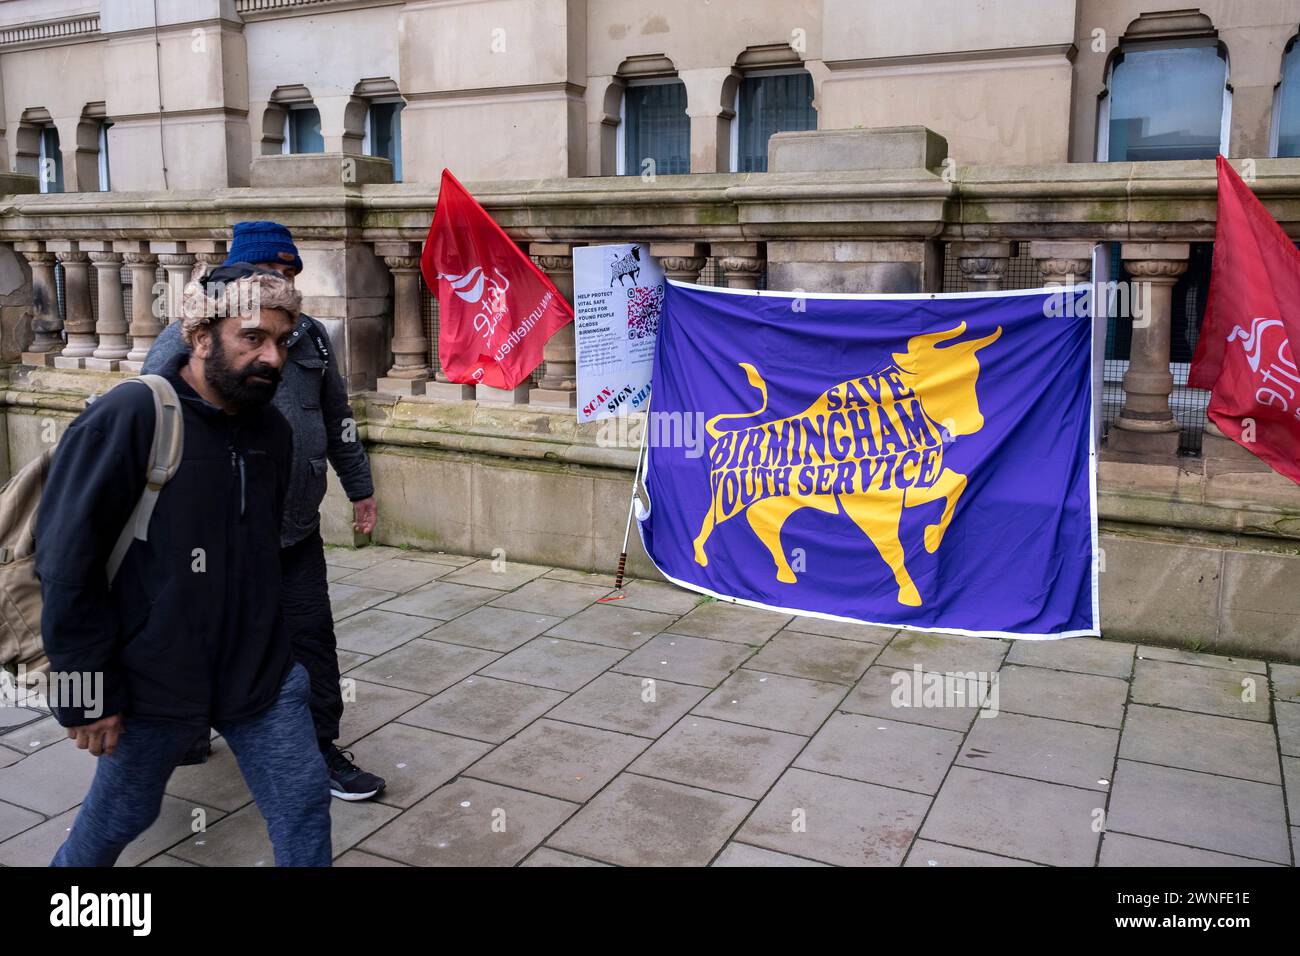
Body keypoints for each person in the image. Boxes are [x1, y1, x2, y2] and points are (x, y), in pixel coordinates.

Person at [38, 267, 333, 866]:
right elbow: (66, 565)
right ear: (200, 336)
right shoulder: (130, 415)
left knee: (302, 804)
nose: (272, 357)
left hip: (259, 674)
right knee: (120, 816)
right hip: (153, 683)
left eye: (282, 339)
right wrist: (83, 696)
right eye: (252, 337)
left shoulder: (271, 430)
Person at [143, 221, 385, 801]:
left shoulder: (314, 339)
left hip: (294, 529)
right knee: (202, 630)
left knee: (310, 638)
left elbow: (338, 417)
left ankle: (320, 748)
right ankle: (187, 728)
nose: (284, 285)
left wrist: (360, 487)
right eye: (271, 273)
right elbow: (150, 420)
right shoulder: (191, 336)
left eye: (291, 274)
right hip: (214, 536)